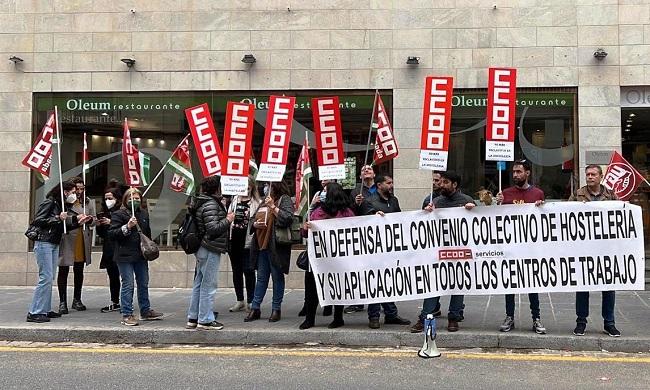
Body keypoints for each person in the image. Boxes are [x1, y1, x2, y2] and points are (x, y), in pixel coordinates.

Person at [411, 171, 475, 333]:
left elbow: (477, 225)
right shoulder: (435, 201)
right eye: (441, 182)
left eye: (446, 182)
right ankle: (425, 316)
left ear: (455, 185)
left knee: (457, 285)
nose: (441, 185)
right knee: (433, 284)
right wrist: (426, 213)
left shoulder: (467, 201)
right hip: (438, 251)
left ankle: (453, 317)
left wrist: (473, 211)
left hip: (459, 251)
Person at [27, 180, 89, 323]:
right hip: (44, 242)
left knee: (50, 277)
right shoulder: (49, 202)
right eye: (73, 192)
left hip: (53, 242)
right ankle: (35, 311)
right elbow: (37, 220)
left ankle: (45, 309)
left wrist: (77, 223)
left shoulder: (60, 205)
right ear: (65, 192)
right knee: (46, 277)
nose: (74, 195)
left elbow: (62, 228)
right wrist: (57, 217)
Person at [569, 165, 620, 337]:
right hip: (584, 249)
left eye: (593, 174)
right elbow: (566, 215)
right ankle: (581, 321)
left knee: (609, 286)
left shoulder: (611, 195)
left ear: (601, 176)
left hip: (606, 249)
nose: (590, 177)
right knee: (582, 286)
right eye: (587, 174)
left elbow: (619, 216)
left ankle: (609, 323)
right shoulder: (578, 194)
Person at [496, 159, 546, 335]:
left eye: (519, 171)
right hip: (511, 247)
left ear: (527, 173)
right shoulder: (506, 194)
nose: (515, 175)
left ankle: (536, 317)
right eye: (514, 172)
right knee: (510, 283)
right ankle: (509, 316)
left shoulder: (538, 193)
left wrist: (542, 208)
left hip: (530, 248)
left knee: (532, 283)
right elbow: (498, 218)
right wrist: (497, 204)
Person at [299, 182, 355, 330]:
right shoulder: (317, 211)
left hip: (337, 260)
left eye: (324, 190)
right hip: (317, 260)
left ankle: (338, 318)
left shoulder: (347, 213)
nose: (321, 193)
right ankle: (309, 319)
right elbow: (305, 233)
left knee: (338, 287)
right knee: (312, 289)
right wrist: (306, 228)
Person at [108, 188, 163, 326]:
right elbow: (112, 234)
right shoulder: (118, 214)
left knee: (143, 283)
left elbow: (147, 232)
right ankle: (127, 313)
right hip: (124, 255)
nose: (135, 200)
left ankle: (145, 310)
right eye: (132, 198)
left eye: (137, 198)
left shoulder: (143, 213)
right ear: (126, 200)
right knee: (128, 284)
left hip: (140, 255)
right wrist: (127, 226)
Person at [185, 176, 234, 330]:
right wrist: (228, 219)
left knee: (199, 283)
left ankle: (194, 317)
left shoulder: (204, 201)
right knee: (208, 284)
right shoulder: (211, 203)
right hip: (210, 247)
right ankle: (205, 319)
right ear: (217, 188)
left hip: (202, 247)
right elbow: (213, 228)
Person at [364, 174, 411, 329]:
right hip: (375, 250)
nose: (391, 185)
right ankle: (374, 315)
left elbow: (399, 218)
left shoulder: (394, 200)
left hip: (391, 248)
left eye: (392, 182)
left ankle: (391, 314)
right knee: (375, 281)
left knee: (389, 281)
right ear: (379, 185)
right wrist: (373, 216)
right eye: (388, 183)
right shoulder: (369, 201)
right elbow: (362, 222)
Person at [245, 181, 295, 323]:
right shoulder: (263, 201)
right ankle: (255, 308)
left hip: (276, 246)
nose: (266, 187)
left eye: (269, 185)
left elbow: (288, 218)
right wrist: (254, 224)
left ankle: (276, 309)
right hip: (261, 245)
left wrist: (273, 207)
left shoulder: (283, 199)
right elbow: (253, 219)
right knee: (261, 278)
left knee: (277, 277)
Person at [57, 177, 95, 314]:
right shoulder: (64, 201)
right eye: (76, 189)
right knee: (63, 270)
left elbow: (94, 219)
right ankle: (62, 302)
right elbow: (60, 218)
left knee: (79, 270)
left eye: (81, 188)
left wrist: (90, 220)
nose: (79, 191)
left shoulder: (88, 201)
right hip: (68, 238)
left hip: (82, 237)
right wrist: (75, 218)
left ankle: (77, 299)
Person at [299, 178, 334, 318]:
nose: (323, 182)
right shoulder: (316, 204)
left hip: (332, 253)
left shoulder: (341, 209)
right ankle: (308, 307)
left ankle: (329, 306)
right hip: (315, 251)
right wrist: (312, 206)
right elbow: (306, 223)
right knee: (311, 282)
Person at [344, 165, 377, 314]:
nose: (366, 171)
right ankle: (357, 301)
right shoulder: (356, 191)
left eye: (369, 169)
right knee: (359, 270)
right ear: (360, 177)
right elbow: (350, 212)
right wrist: (355, 204)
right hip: (362, 234)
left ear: (374, 174)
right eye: (363, 170)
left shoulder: (382, 188)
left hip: (378, 234)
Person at [227, 176, 260, 313]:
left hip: (248, 241)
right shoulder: (234, 200)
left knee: (249, 270)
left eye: (248, 187)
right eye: (243, 186)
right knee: (236, 271)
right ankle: (239, 300)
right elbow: (228, 216)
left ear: (252, 188)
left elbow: (258, 219)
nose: (245, 189)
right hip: (234, 240)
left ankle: (251, 300)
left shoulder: (256, 203)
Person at [96, 187, 122, 313]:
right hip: (109, 248)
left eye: (110, 198)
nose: (108, 201)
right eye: (106, 198)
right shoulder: (105, 212)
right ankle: (115, 301)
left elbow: (126, 227)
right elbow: (102, 234)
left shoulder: (122, 211)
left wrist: (111, 222)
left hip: (121, 247)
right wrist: (100, 225)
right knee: (113, 275)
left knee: (125, 276)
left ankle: (125, 301)